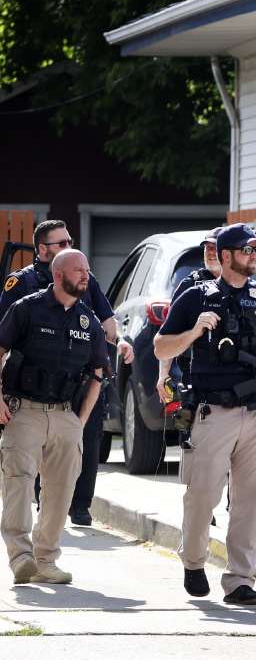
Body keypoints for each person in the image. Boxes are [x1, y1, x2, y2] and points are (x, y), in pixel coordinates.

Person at [154, 223, 256, 605]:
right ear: (224, 256)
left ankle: (240, 579)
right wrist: (194, 333)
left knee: (251, 499)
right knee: (203, 494)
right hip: (214, 412)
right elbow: (161, 348)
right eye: (246, 250)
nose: (253, 256)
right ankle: (193, 562)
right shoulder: (196, 297)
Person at [0, 220, 134, 527]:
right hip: (32, 389)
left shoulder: (84, 279)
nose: (68, 246)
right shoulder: (22, 285)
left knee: (85, 443)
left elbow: (107, 322)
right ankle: (37, 510)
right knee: (29, 460)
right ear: (43, 249)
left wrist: (121, 342)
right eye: (61, 243)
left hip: (77, 384)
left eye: (70, 240)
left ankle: (79, 508)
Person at [0, 249, 109, 585]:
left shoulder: (87, 320)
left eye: (87, 270)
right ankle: (21, 557)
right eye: (79, 270)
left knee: (60, 489)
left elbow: (99, 373)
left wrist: (80, 421)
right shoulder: (27, 308)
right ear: (59, 274)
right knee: (18, 482)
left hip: (65, 415)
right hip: (24, 410)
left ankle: (46, 559)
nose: (85, 276)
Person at [157, 227, 224, 404]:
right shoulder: (190, 286)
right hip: (196, 374)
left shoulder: (242, 285)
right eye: (206, 248)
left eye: (214, 248)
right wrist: (163, 375)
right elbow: (170, 332)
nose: (210, 253)